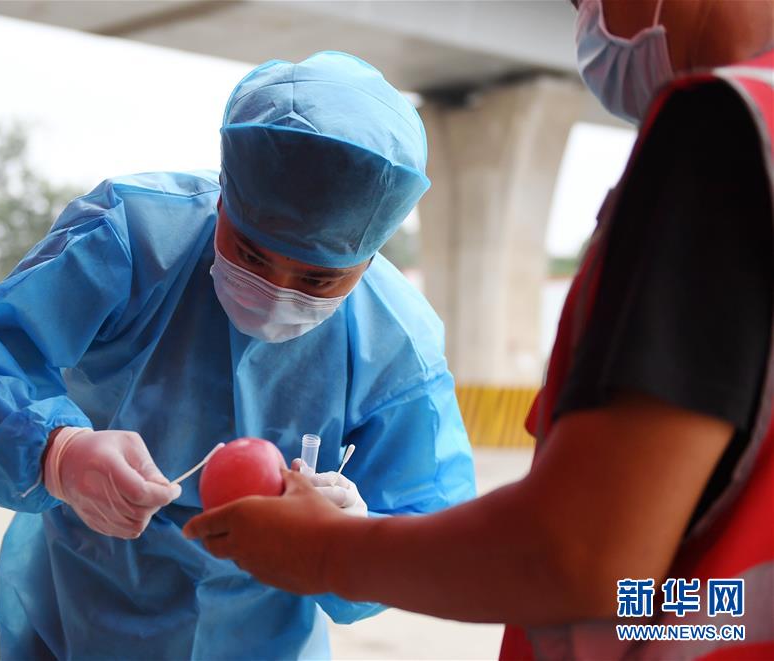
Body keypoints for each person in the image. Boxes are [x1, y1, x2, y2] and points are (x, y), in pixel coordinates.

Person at [184, 1, 774, 658]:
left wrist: (324, 549)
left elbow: (581, 555)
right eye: (252, 253)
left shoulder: (724, 130)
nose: (586, 16)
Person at [0, 51, 477, 660]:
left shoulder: (395, 345)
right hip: (84, 602)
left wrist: (357, 540)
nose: (274, 293)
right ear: (225, 198)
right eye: (251, 255)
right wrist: (56, 453)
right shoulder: (134, 240)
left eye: (317, 279)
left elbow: (434, 529)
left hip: (263, 636)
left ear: (367, 257)